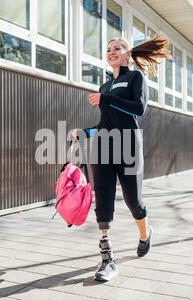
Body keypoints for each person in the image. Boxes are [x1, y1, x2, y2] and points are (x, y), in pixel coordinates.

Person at [72, 35, 172, 282]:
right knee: (103, 198)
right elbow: (104, 124)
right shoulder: (104, 87)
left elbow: (138, 109)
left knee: (133, 200)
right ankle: (107, 259)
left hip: (128, 146)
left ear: (127, 54)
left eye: (117, 48)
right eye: (108, 49)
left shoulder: (135, 78)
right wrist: (85, 132)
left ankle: (144, 233)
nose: (112, 52)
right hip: (104, 147)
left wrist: (108, 100)